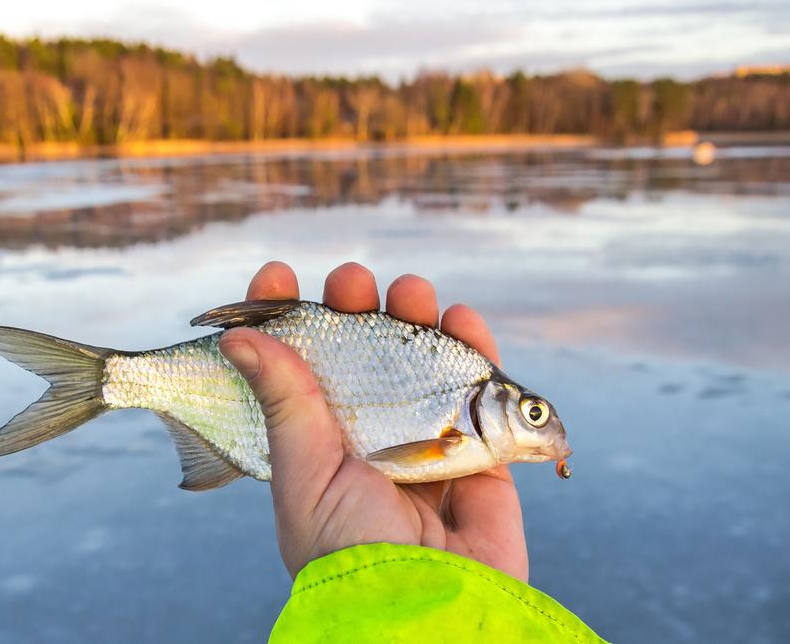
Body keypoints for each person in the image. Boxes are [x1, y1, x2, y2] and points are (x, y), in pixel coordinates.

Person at [218, 261, 606, 643]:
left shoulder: (472, 419)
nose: (545, 430)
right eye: (534, 414)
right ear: (485, 400)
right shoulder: (466, 408)